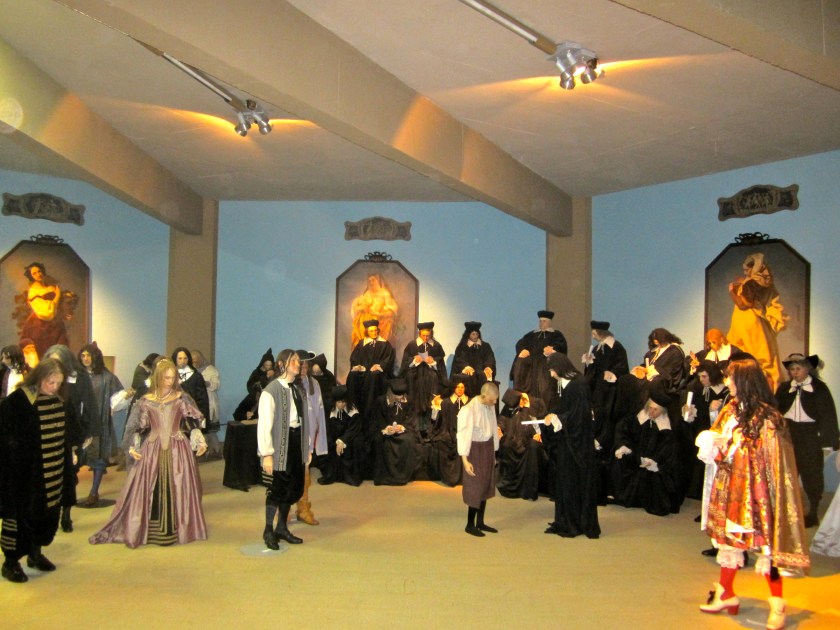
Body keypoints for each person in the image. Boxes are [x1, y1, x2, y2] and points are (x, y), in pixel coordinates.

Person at [697, 358, 809, 630]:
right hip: (729, 486)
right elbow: (719, 441)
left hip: (756, 491)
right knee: (729, 542)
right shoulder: (730, 409)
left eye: (731, 378)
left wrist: (734, 445)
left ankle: (778, 603)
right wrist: (714, 443)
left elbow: (771, 459)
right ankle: (726, 593)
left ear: (744, 381)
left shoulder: (767, 416)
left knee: (766, 547)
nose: (727, 382)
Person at [89, 359, 207, 548]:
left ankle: (175, 528)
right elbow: (139, 427)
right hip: (153, 447)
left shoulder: (181, 398)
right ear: (158, 378)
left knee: (177, 485)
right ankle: (152, 529)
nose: (170, 381)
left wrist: (199, 439)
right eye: (166, 377)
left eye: (173, 377)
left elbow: (192, 421)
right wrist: (133, 446)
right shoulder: (146, 401)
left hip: (178, 448)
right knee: (152, 486)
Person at [0, 358, 76, 583]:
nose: (54, 387)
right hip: (24, 476)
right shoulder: (18, 401)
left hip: (53, 472)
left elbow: (66, 434)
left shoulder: (59, 401)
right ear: (39, 378)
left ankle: (35, 554)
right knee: (21, 518)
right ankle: (10, 563)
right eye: (51, 382)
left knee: (46, 515)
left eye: (58, 383)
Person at [775, 353, 839, 528]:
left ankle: (813, 511)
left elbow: (828, 415)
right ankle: (787, 509)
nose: (795, 372)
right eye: (792, 369)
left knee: (812, 473)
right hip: (789, 433)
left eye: (798, 368)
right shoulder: (785, 388)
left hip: (810, 434)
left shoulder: (819, 388)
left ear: (807, 369)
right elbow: (775, 410)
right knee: (788, 472)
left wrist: (828, 441)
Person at [542, 352, 600, 539]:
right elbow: (565, 408)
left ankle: (574, 523)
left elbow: (579, 416)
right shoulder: (569, 384)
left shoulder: (578, 385)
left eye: (552, 370)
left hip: (577, 446)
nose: (551, 374)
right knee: (565, 483)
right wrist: (551, 415)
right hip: (568, 442)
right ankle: (565, 520)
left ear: (559, 367)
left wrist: (557, 418)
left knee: (572, 483)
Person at [257, 350, 309, 548]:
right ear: (282, 364)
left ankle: (282, 527)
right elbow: (265, 424)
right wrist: (267, 454)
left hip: (296, 442)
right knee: (277, 489)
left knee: (292, 487)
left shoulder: (298, 389)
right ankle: (268, 530)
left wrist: (307, 448)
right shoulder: (271, 391)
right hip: (279, 446)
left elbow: (305, 421)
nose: (297, 363)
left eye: (298, 360)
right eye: (292, 360)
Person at [44, 344, 94, 533]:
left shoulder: (79, 377)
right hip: (46, 433)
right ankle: (50, 516)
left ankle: (66, 514)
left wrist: (86, 433)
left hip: (70, 434)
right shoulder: (42, 378)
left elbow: (88, 406)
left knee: (69, 476)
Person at [76, 342, 130, 507]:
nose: (86, 358)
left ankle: (94, 491)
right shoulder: (77, 375)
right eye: (83, 355)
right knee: (76, 457)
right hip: (80, 423)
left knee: (99, 458)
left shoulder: (107, 377)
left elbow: (118, 397)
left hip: (100, 423)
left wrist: (125, 396)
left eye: (89, 355)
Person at [611, 389, 680, 516]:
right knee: (619, 461)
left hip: (653, 461)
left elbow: (667, 450)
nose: (651, 412)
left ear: (662, 411)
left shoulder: (667, 428)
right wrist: (624, 446)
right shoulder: (636, 418)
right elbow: (622, 431)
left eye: (655, 410)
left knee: (656, 477)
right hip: (635, 456)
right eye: (650, 408)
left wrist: (654, 461)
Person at [727, 253, 787, 389]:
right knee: (765, 358)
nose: (745, 273)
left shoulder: (752, 283)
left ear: (754, 268)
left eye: (747, 270)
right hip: (757, 322)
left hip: (749, 323)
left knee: (751, 358)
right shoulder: (763, 282)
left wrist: (731, 292)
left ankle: (753, 389)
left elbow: (744, 305)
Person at [457, 382, 500, 537]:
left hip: (487, 448)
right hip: (474, 449)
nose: (494, 402)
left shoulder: (490, 406)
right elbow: (463, 435)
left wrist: (494, 453)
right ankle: (470, 524)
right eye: (492, 399)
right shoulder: (468, 410)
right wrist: (465, 460)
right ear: (484, 396)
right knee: (475, 487)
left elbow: (493, 428)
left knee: (485, 485)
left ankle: (480, 522)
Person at [682, 360, 729, 502]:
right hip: (699, 430)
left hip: (714, 433)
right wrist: (688, 410)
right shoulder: (698, 388)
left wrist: (711, 409)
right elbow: (695, 407)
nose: (702, 380)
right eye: (700, 377)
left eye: (704, 376)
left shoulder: (725, 392)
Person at [295, 350, 328, 526]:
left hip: (308, 435)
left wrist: (318, 434)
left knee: (305, 474)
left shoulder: (313, 383)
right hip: (293, 434)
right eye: (300, 365)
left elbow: (319, 410)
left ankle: (303, 508)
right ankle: (281, 510)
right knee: (288, 475)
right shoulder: (289, 383)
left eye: (306, 365)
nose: (303, 368)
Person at [399, 322, 447, 438]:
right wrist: (414, 360)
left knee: (431, 402)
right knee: (415, 402)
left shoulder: (436, 346)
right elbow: (405, 363)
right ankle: (415, 428)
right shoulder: (412, 345)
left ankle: (429, 429)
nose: (426, 338)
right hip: (415, 379)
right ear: (419, 334)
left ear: (431, 334)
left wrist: (433, 361)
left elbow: (440, 364)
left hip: (431, 379)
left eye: (428, 336)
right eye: (423, 335)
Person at [497, 389, 547, 501]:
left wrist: (539, 434)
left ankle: (529, 490)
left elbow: (542, 422)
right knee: (506, 446)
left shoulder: (537, 404)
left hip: (529, 439)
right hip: (513, 439)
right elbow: (502, 419)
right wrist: (499, 427)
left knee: (533, 447)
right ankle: (509, 487)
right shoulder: (511, 403)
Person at [511, 310, 568, 409]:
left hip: (547, 371)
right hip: (532, 371)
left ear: (549, 322)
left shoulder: (556, 335)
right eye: (540, 321)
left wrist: (553, 349)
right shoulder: (532, 335)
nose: (542, 323)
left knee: (546, 392)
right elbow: (520, 343)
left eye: (544, 321)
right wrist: (523, 350)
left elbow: (562, 347)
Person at [371, 378, 419, 486]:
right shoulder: (381, 400)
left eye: (401, 396)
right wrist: (386, 428)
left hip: (403, 429)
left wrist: (402, 427)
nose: (399, 398)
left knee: (409, 441)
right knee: (380, 441)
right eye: (396, 396)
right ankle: (384, 476)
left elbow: (412, 417)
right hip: (386, 429)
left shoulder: (409, 400)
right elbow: (377, 419)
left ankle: (403, 475)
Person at [317, 385, 366, 486]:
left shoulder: (353, 410)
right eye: (339, 402)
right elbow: (326, 426)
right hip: (333, 436)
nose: (342, 404)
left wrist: (342, 441)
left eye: (344, 402)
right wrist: (336, 440)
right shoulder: (328, 408)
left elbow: (353, 429)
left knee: (356, 443)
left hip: (349, 437)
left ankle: (350, 475)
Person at [347, 319, 395, 416]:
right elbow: (354, 358)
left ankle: (369, 409)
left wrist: (379, 366)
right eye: (371, 331)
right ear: (367, 332)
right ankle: (354, 408)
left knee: (372, 376)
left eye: (375, 330)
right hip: (363, 370)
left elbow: (388, 359)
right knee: (353, 375)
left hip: (378, 373)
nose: (374, 333)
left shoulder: (385, 344)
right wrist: (359, 366)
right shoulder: (361, 344)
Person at [20, 262, 68, 357]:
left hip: (56, 324)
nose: (38, 274)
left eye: (39, 271)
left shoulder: (50, 287)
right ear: (31, 276)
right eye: (34, 273)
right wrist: (57, 296)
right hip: (40, 325)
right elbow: (46, 313)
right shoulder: (33, 291)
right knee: (45, 351)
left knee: (60, 351)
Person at [429, 375, 470, 487]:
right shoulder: (446, 403)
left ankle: (465, 477)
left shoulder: (470, 402)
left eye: (462, 387)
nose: (460, 389)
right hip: (447, 432)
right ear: (453, 388)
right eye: (458, 387)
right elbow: (436, 420)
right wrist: (435, 408)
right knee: (442, 442)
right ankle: (448, 477)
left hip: (466, 433)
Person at [350, 273, 398, 350]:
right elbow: (361, 305)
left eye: (373, 280)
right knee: (361, 329)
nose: (371, 282)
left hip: (380, 321)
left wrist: (379, 314)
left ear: (378, 281)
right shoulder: (367, 293)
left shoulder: (385, 294)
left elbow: (391, 312)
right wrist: (362, 308)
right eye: (369, 281)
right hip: (366, 320)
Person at [450, 321, 496, 398]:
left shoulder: (485, 346)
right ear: (468, 334)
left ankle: (483, 400)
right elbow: (460, 359)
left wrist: (488, 366)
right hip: (468, 373)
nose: (475, 336)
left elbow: (490, 358)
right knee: (469, 376)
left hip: (481, 372)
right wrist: (466, 367)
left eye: (477, 334)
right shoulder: (462, 346)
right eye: (473, 334)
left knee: (484, 375)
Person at [191, 349, 222, 457]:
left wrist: (206, 383)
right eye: (193, 360)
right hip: (197, 402)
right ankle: (204, 452)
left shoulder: (210, 370)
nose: (195, 362)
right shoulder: (191, 371)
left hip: (209, 401)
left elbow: (216, 385)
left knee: (211, 430)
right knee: (200, 429)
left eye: (196, 360)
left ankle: (216, 451)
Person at [171, 347, 210, 425]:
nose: (183, 361)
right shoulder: (170, 375)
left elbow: (202, 401)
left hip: (192, 416)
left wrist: (202, 420)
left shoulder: (196, 376)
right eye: (180, 358)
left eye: (185, 358)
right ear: (175, 359)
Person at [233, 348, 274, 421]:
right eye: (266, 365)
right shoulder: (256, 374)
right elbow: (237, 414)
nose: (268, 367)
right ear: (263, 364)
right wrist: (245, 415)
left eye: (270, 365)